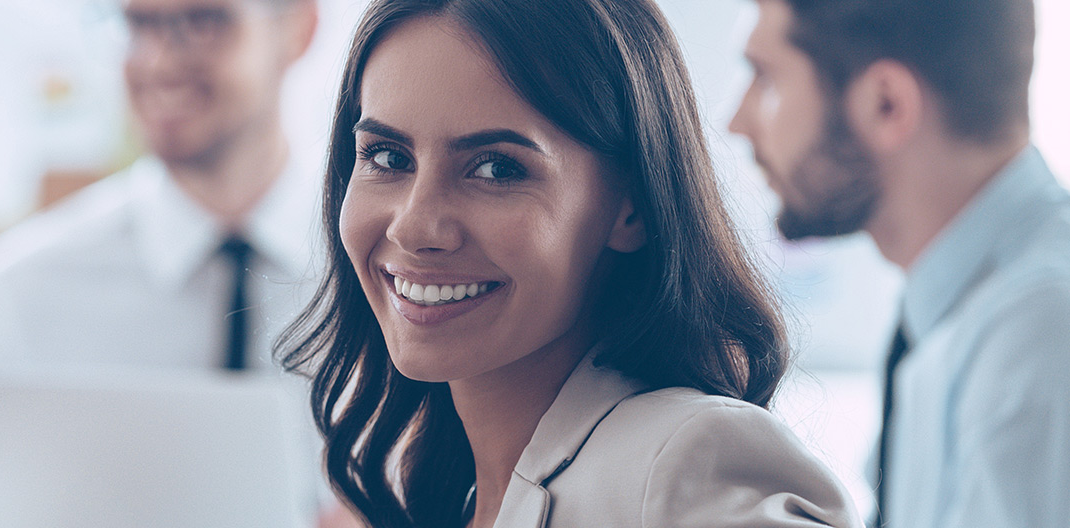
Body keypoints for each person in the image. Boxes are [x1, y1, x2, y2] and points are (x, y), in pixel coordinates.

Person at [280, 0, 860, 526]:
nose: (413, 226)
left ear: (629, 207)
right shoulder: (454, 496)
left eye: (496, 169)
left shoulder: (686, 465)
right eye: (387, 156)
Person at [728, 0, 1065, 526]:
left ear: (887, 104)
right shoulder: (962, 307)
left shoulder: (1035, 330)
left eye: (766, 78)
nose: (737, 123)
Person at [0, 0, 321, 376]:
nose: (158, 62)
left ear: (298, 28)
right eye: (137, 24)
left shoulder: (369, 275)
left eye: (203, 21)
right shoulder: (12, 305)